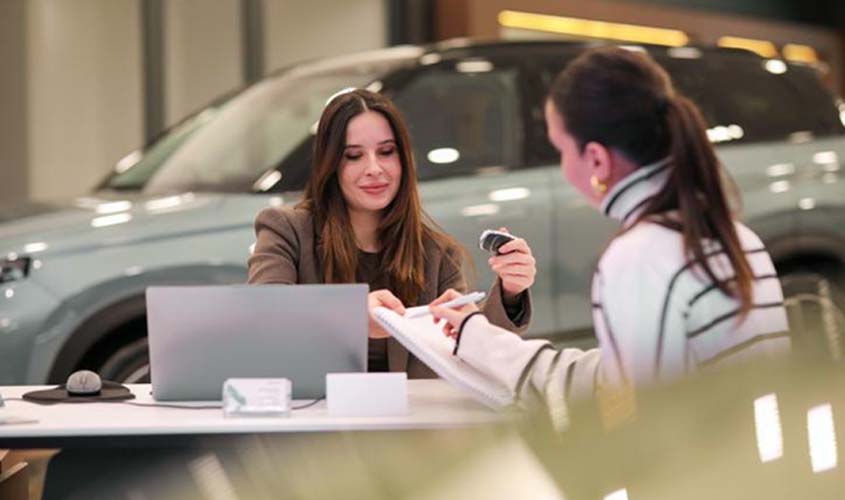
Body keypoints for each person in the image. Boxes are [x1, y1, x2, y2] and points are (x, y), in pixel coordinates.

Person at [429, 47, 789, 420]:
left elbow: (633, 411)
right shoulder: (737, 238)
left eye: (561, 150)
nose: (562, 168)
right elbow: (624, 375)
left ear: (597, 160)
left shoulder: (641, 255)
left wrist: (482, 340)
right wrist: (480, 338)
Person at [248, 88, 536, 378]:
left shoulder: (437, 254)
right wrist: (351, 315)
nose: (374, 169)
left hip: (411, 407)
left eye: (386, 152)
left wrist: (510, 292)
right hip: (316, 405)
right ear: (330, 164)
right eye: (353, 156)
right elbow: (264, 313)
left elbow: (471, 356)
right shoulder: (287, 230)